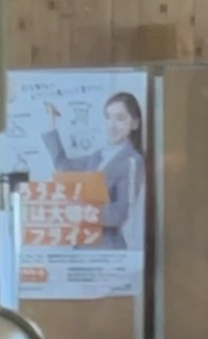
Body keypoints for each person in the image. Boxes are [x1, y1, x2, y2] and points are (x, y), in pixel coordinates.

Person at [41, 87, 146, 250]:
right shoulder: (98, 156)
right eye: (108, 117)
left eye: (120, 119)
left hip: (108, 250)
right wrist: (51, 122)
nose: (112, 126)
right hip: (84, 247)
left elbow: (119, 214)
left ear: (135, 123)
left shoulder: (132, 160)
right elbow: (63, 167)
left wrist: (81, 210)